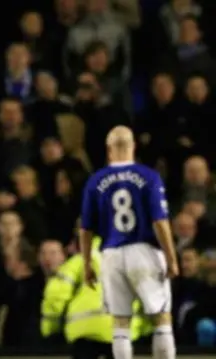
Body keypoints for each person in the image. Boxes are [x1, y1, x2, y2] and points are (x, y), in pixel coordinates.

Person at [79, 126, 179, 359]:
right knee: (162, 316)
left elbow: (86, 229)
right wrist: (172, 259)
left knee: (120, 322)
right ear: (133, 146)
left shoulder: (95, 181)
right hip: (144, 251)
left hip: (111, 254)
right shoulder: (148, 176)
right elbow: (160, 222)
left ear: (109, 150)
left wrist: (86, 264)